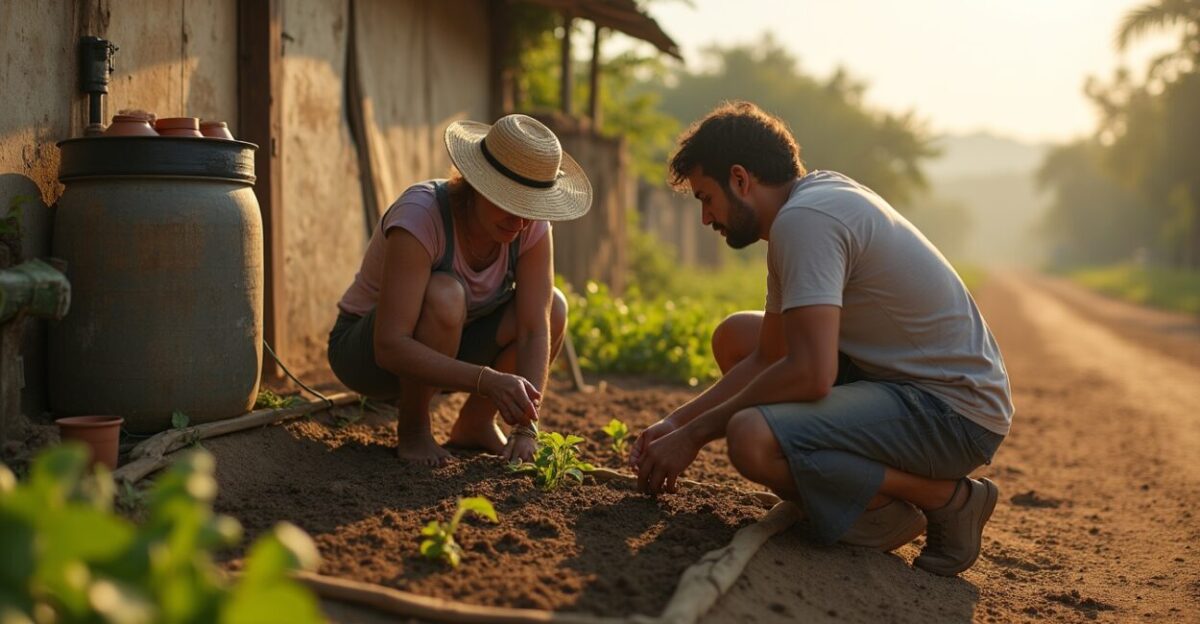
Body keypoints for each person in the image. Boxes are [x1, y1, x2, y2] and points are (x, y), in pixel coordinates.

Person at [630, 101, 1013, 576]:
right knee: (736, 338)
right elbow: (770, 355)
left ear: (741, 179)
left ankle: (942, 500)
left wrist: (694, 437)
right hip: (903, 385)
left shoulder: (805, 221)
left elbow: (811, 375)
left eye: (707, 198)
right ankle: (875, 501)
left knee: (751, 438)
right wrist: (675, 423)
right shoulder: (803, 208)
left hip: (952, 412)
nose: (707, 218)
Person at [328, 114, 592, 467]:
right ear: (477, 184)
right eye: (510, 202)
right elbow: (389, 346)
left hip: (451, 349)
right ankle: (414, 428)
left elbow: (533, 328)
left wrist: (526, 428)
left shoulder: (530, 227)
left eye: (529, 207)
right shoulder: (421, 215)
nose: (521, 221)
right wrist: (486, 380)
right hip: (367, 356)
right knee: (445, 294)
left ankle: (476, 424)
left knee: (554, 307)